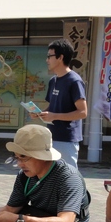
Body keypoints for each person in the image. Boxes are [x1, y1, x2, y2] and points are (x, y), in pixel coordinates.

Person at [0, 124, 89, 222]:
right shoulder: (25, 176)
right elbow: (10, 209)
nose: (19, 164)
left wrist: (19, 221)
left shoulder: (69, 178)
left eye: (24, 157)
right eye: (16, 157)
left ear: (43, 157)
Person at [34, 39, 87, 169]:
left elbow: (83, 112)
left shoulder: (74, 81)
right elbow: (53, 107)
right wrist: (40, 113)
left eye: (49, 56)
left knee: (67, 175)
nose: (47, 60)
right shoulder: (53, 80)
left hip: (67, 139)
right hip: (51, 136)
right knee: (51, 175)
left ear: (60, 57)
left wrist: (54, 116)